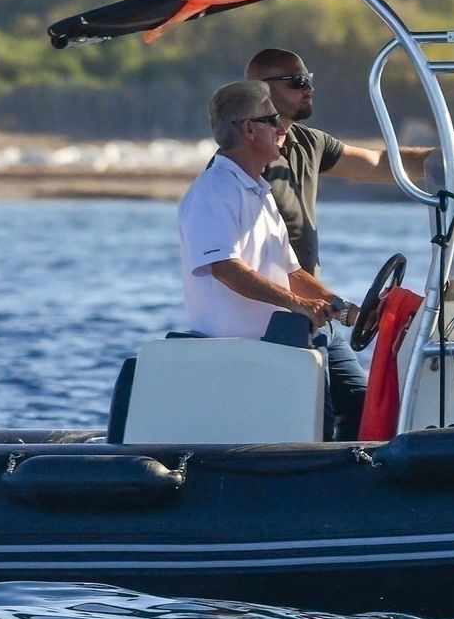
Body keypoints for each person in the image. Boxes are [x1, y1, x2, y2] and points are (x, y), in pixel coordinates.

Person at [244, 48, 432, 441]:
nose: (308, 87)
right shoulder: (243, 164)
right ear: (262, 90)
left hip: (317, 315)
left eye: (308, 78)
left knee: (365, 409)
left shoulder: (308, 142)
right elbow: (236, 263)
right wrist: (340, 309)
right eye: (297, 81)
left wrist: (444, 158)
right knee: (318, 421)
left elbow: (379, 164)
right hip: (276, 321)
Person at [177, 81, 355, 345]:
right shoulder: (216, 190)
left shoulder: (258, 191)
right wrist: (297, 304)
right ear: (249, 129)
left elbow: (291, 273)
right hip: (235, 353)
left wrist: (346, 311)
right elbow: (225, 267)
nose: (282, 129)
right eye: (273, 120)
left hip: (276, 347)